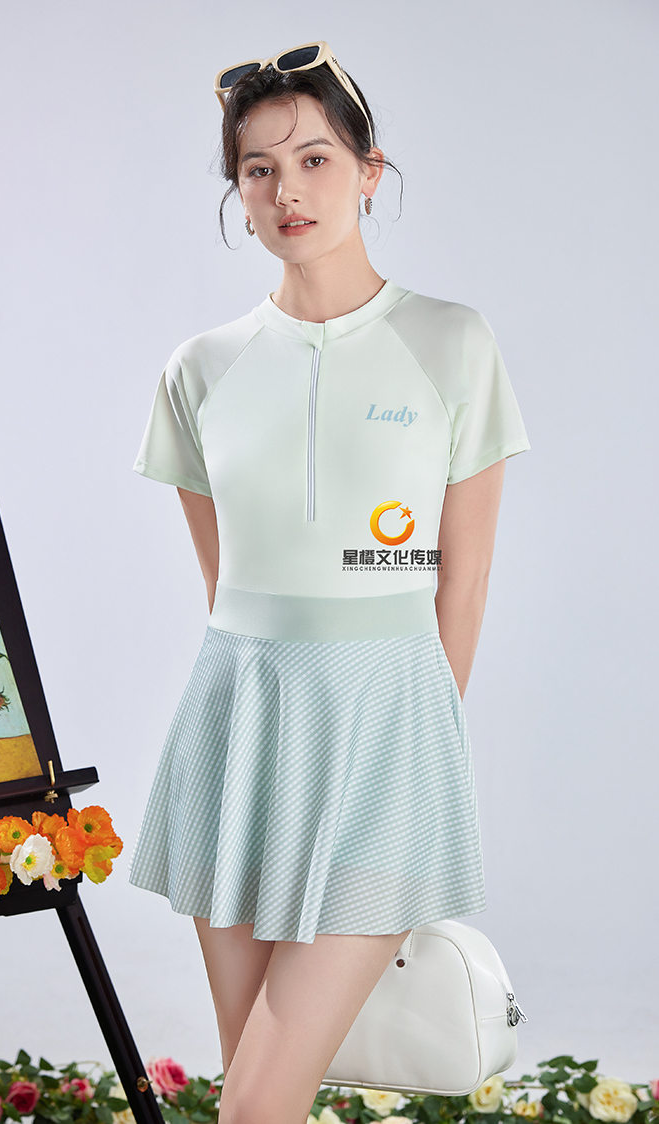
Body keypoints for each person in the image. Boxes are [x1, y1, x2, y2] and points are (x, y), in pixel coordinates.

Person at [128, 42, 530, 1124]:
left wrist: (416, 757)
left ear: (368, 171)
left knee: (254, 1100)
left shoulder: (452, 343)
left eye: (314, 159)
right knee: (260, 1094)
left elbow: (462, 582)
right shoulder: (199, 368)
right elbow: (227, 587)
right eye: (258, 170)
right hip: (239, 740)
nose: (288, 191)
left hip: (387, 742)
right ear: (239, 193)